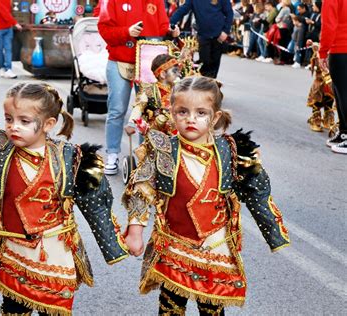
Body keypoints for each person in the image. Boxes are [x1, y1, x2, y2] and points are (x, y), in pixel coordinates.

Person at [0, 82, 129, 315]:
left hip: (56, 253)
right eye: (8, 119)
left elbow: (97, 204)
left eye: (24, 121)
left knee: (53, 310)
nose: (13, 127)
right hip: (13, 253)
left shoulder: (71, 158)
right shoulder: (1, 155)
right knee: (13, 308)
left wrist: (120, 241)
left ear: (48, 124)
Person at [123, 76, 290, 316]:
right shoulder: (163, 150)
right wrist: (135, 231)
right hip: (174, 244)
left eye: (201, 113)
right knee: (170, 308)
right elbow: (141, 190)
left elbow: (256, 191)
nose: (191, 119)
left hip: (215, 246)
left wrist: (273, 232)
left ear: (215, 117)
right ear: (171, 113)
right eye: (183, 112)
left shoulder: (230, 152)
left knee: (212, 308)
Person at [98, 0, 180, 175]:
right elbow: (104, 30)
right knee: (117, 109)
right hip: (120, 61)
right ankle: (112, 154)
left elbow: (163, 28)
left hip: (148, 62)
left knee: (148, 111)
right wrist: (127, 32)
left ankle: (146, 155)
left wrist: (171, 32)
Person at [170, 0, 234, 78]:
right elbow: (182, 10)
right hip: (203, 35)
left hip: (218, 36)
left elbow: (229, 13)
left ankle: (211, 84)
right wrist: (170, 23)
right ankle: (205, 83)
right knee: (205, 62)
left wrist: (225, 31)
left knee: (214, 65)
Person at [126, 54, 182, 137]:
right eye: (174, 71)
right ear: (163, 74)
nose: (179, 74)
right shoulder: (149, 90)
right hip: (156, 135)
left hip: (178, 134)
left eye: (178, 71)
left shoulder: (179, 89)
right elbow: (139, 107)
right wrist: (131, 124)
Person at [319, 0, 347, 154]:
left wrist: (323, 51)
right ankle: (344, 132)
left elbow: (329, 24)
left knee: (342, 94)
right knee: (341, 93)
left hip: (341, 47)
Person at [306, 42, 335, 133]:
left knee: (330, 100)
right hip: (320, 82)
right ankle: (316, 118)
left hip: (331, 82)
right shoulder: (320, 50)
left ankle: (328, 118)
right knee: (317, 100)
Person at [0, 0, 22, 79]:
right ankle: (2, 68)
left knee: (8, 49)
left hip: (7, 27)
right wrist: (15, 23)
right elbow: (3, 11)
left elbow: (11, 10)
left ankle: (8, 69)